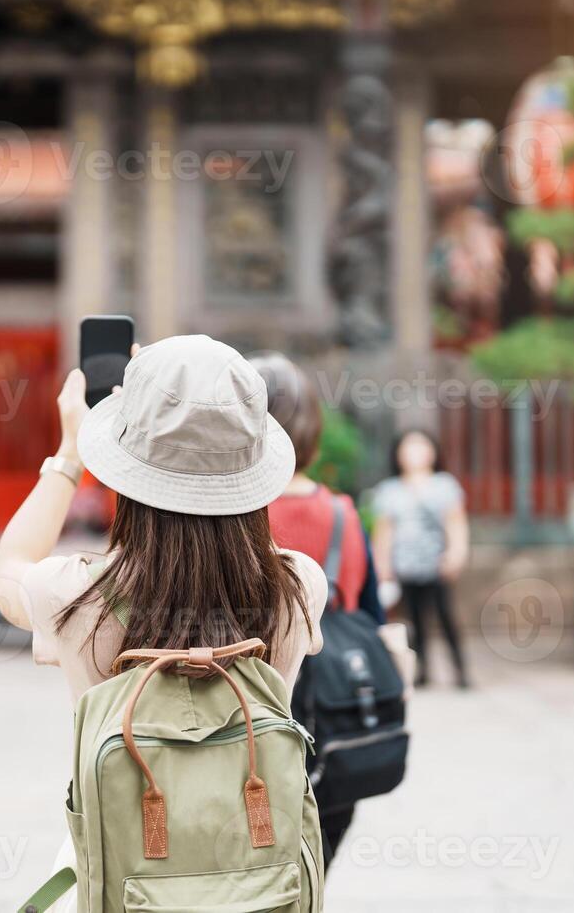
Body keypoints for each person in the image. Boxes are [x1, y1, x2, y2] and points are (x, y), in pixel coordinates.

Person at [0, 335, 328, 908]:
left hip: (126, 881)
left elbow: (7, 572)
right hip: (261, 889)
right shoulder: (297, 586)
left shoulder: (77, 595)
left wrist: (72, 451)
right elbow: (239, 526)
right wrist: (207, 434)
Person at [250, 353, 385, 864]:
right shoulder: (342, 513)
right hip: (333, 737)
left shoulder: (225, 517)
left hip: (244, 738)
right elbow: (371, 618)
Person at [372, 429, 470, 689]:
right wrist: (382, 565)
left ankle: (461, 670)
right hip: (405, 566)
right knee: (413, 620)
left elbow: (456, 523)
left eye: (420, 446)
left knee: (446, 616)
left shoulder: (445, 486)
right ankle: (421, 671)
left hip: (437, 564)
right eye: (408, 447)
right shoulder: (389, 490)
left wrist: (456, 553)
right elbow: (384, 531)